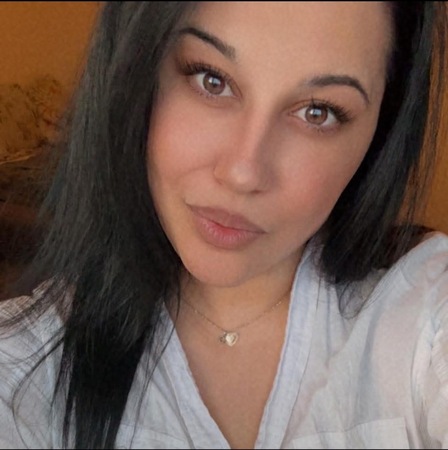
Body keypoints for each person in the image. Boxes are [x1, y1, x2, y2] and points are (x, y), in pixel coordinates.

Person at [0, 1, 447, 449]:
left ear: (381, 132)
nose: (243, 172)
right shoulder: (21, 369)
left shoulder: (424, 314)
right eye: (211, 80)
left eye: (318, 112)